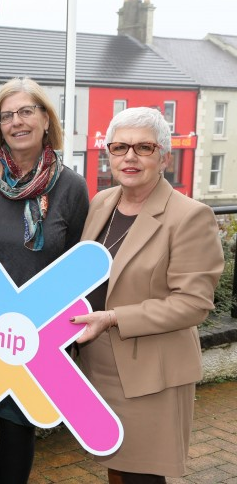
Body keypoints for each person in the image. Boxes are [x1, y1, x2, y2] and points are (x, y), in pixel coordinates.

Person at [72, 107, 224, 483]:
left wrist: (113, 318)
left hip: (150, 373)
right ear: (108, 153)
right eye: (120, 147)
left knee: (145, 475)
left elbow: (193, 304)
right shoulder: (102, 202)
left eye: (143, 147)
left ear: (164, 157)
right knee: (117, 468)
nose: (129, 157)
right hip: (99, 365)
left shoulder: (190, 216)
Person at [0, 76, 89, 482]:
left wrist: (70, 335)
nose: (16, 122)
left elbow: (80, 264)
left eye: (26, 111)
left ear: (46, 118)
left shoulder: (72, 187)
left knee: (14, 434)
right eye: (7, 116)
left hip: (34, 336)